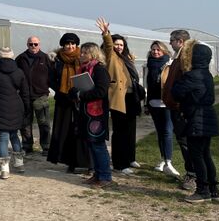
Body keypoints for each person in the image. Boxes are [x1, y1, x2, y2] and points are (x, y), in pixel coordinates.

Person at [171, 41, 219, 203]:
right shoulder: (207, 74)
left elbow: (176, 93)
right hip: (207, 116)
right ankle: (213, 189)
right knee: (205, 154)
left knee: (196, 155)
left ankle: (203, 190)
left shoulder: (192, 76)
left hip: (196, 118)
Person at [95, 17, 143, 175]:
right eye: (116, 44)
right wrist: (106, 33)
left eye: (121, 44)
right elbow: (108, 45)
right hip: (118, 98)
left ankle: (129, 158)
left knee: (130, 130)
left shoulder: (126, 58)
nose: (119, 47)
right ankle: (119, 163)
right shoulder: (110, 55)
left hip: (131, 97)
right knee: (120, 131)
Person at [68, 42, 113, 188]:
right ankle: (97, 174)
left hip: (97, 115)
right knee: (91, 145)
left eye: (84, 53)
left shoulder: (100, 70)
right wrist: (74, 92)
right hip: (86, 114)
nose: (81, 55)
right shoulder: (84, 69)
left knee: (98, 145)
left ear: (92, 54)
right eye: (81, 53)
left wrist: (81, 94)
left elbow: (101, 91)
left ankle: (105, 176)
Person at [0, 47, 31, 179]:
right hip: (16, 106)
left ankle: (5, 169)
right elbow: (25, 92)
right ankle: (19, 163)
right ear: (11, 56)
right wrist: (26, 108)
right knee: (15, 135)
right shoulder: (19, 72)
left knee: (3, 137)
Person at [47, 33, 91, 173]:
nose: (70, 46)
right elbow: (51, 78)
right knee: (65, 130)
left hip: (79, 98)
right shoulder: (57, 60)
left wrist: (80, 92)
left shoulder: (82, 58)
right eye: (67, 44)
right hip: (63, 99)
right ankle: (69, 161)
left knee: (82, 129)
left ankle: (87, 162)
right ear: (63, 45)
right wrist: (59, 90)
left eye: (72, 44)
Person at [162, 29, 198, 191]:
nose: (170, 43)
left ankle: (193, 175)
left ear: (180, 41)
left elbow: (187, 84)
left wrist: (182, 103)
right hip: (176, 107)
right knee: (183, 141)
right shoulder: (177, 58)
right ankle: (192, 172)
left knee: (187, 142)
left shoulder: (186, 59)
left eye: (172, 40)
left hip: (183, 108)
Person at [145, 41, 180, 177]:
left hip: (166, 103)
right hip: (153, 103)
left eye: (158, 50)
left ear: (164, 51)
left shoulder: (170, 63)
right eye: (153, 49)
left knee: (167, 131)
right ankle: (163, 159)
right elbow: (147, 84)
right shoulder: (149, 65)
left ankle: (168, 161)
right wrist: (146, 103)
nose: (155, 52)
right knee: (160, 132)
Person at [16, 35, 53, 156]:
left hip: (40, 95)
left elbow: (52, 75)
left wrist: (46, 87)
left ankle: (46, 146)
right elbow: (15, 75)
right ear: (27, 45)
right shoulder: (21, 58)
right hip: (25, 95)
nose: (33, 46)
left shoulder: (45, 58)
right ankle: (27, 145)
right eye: (30, 44)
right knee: (25, 122)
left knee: (44, 122)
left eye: (35, 44)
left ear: (39, 45)